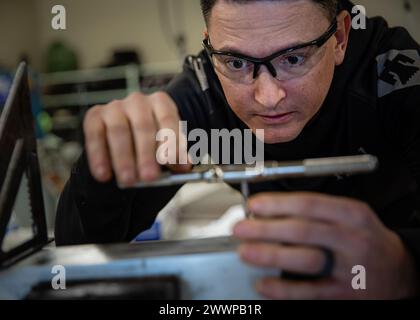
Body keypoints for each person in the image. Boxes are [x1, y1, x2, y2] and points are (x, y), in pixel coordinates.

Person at [55, 0, 420, 299]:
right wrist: (104, 165)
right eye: (237, 62)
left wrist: (406, 268)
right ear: (211, 46)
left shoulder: (396, 75)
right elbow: (75, 254)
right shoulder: (206, 94)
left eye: (293, 59)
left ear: (340, 38)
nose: (268, 98)